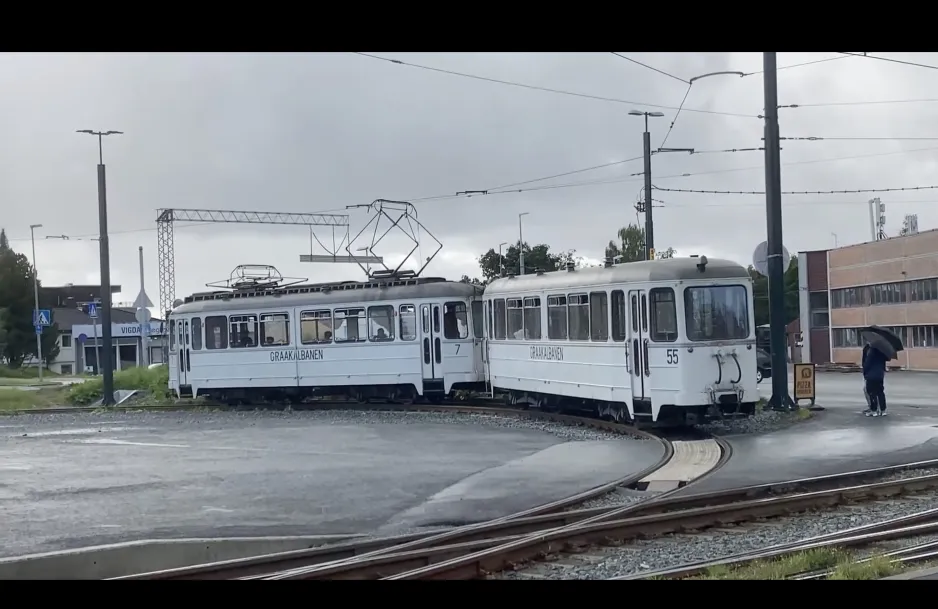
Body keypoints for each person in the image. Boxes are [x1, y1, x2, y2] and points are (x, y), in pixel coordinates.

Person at [862, 340, 888, 417]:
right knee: (880, 392)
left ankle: (874, 411)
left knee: (871, 393)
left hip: (871, 375)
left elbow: (867, 364)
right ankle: (883, 410)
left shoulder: (871, 351)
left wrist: (865, 373)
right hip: (880, 375)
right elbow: (885, 361)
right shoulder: (882, 351)